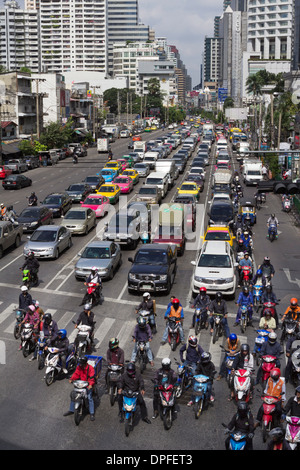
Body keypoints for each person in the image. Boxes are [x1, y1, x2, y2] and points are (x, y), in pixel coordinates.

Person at [64, 356, 96, 421]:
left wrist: (90, 384)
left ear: (85, 363)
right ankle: (71, 410)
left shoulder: (91, 368)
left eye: (81, 364)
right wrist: (71, 379)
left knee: (89, 398)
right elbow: (76, 374)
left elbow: (92, 378)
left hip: (87, 385)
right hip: (80, 384)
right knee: (74, 395)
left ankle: (92, 413)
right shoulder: (79, 367)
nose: (80, 365)